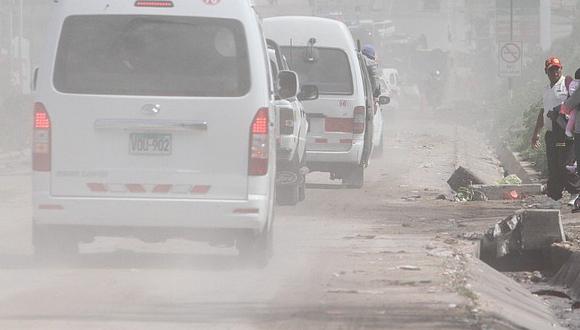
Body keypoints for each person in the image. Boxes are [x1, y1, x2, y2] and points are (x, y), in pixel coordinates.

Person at [532, 57, 580, 209]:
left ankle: (576, 193)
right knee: (553, 166)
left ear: (561, 69)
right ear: (546, 71)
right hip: (552, 133)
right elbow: (543, 111)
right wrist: (536, 133)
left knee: (566, 164)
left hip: (566, 131)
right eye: (551, 69)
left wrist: (561, 110)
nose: (555, 72)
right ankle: (554, 196)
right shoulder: (547, 89)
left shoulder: (568, 83)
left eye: (557, 68)